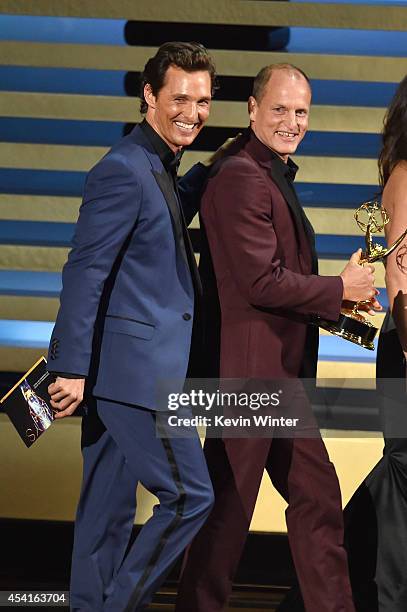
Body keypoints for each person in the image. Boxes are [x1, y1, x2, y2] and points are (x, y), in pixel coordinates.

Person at [175, 63, 379, 612]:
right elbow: (260, 282)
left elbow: (280, 279)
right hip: (248, 381)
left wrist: (344, 300)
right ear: (252, 109)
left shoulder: (265, 174)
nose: (292, 122)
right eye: (280, 109)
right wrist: (338, 287)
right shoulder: (241, 174)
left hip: (279, 379)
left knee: (317, 500)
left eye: (301, 111)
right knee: (227, 517)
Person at [45, 42, 220, 612]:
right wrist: (68, 366)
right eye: (179, 98)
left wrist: (217, 168)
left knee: (104, 516)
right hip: (136, 378)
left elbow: (159, 217)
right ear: (149, 96)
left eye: (202, 100)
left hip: (123, 373)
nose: (192, 111)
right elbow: (85, 271)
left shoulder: (155, 166)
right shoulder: (123, 169)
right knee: (191, 496)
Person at [277, 74, 407, 612]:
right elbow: (401, 273)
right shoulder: (404, 176)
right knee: (403, 471)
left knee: (399, 474)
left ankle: (326, 588)